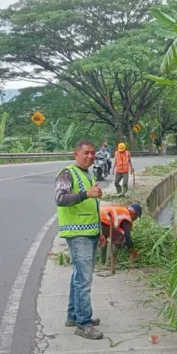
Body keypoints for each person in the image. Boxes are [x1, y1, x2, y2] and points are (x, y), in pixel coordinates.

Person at [55, 139, 104, 340]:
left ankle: (73, 315)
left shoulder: (88, 174)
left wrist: (100, 231)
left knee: (78, 277)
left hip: (90, 232)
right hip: (78, 235)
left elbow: (93, 207)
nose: (90, 156)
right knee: (84, 280)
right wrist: (86, 193)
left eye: (93, 153)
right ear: (76, 154)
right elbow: (60, 198)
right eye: (86, 153)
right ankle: (83, 324)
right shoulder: (67, 173)